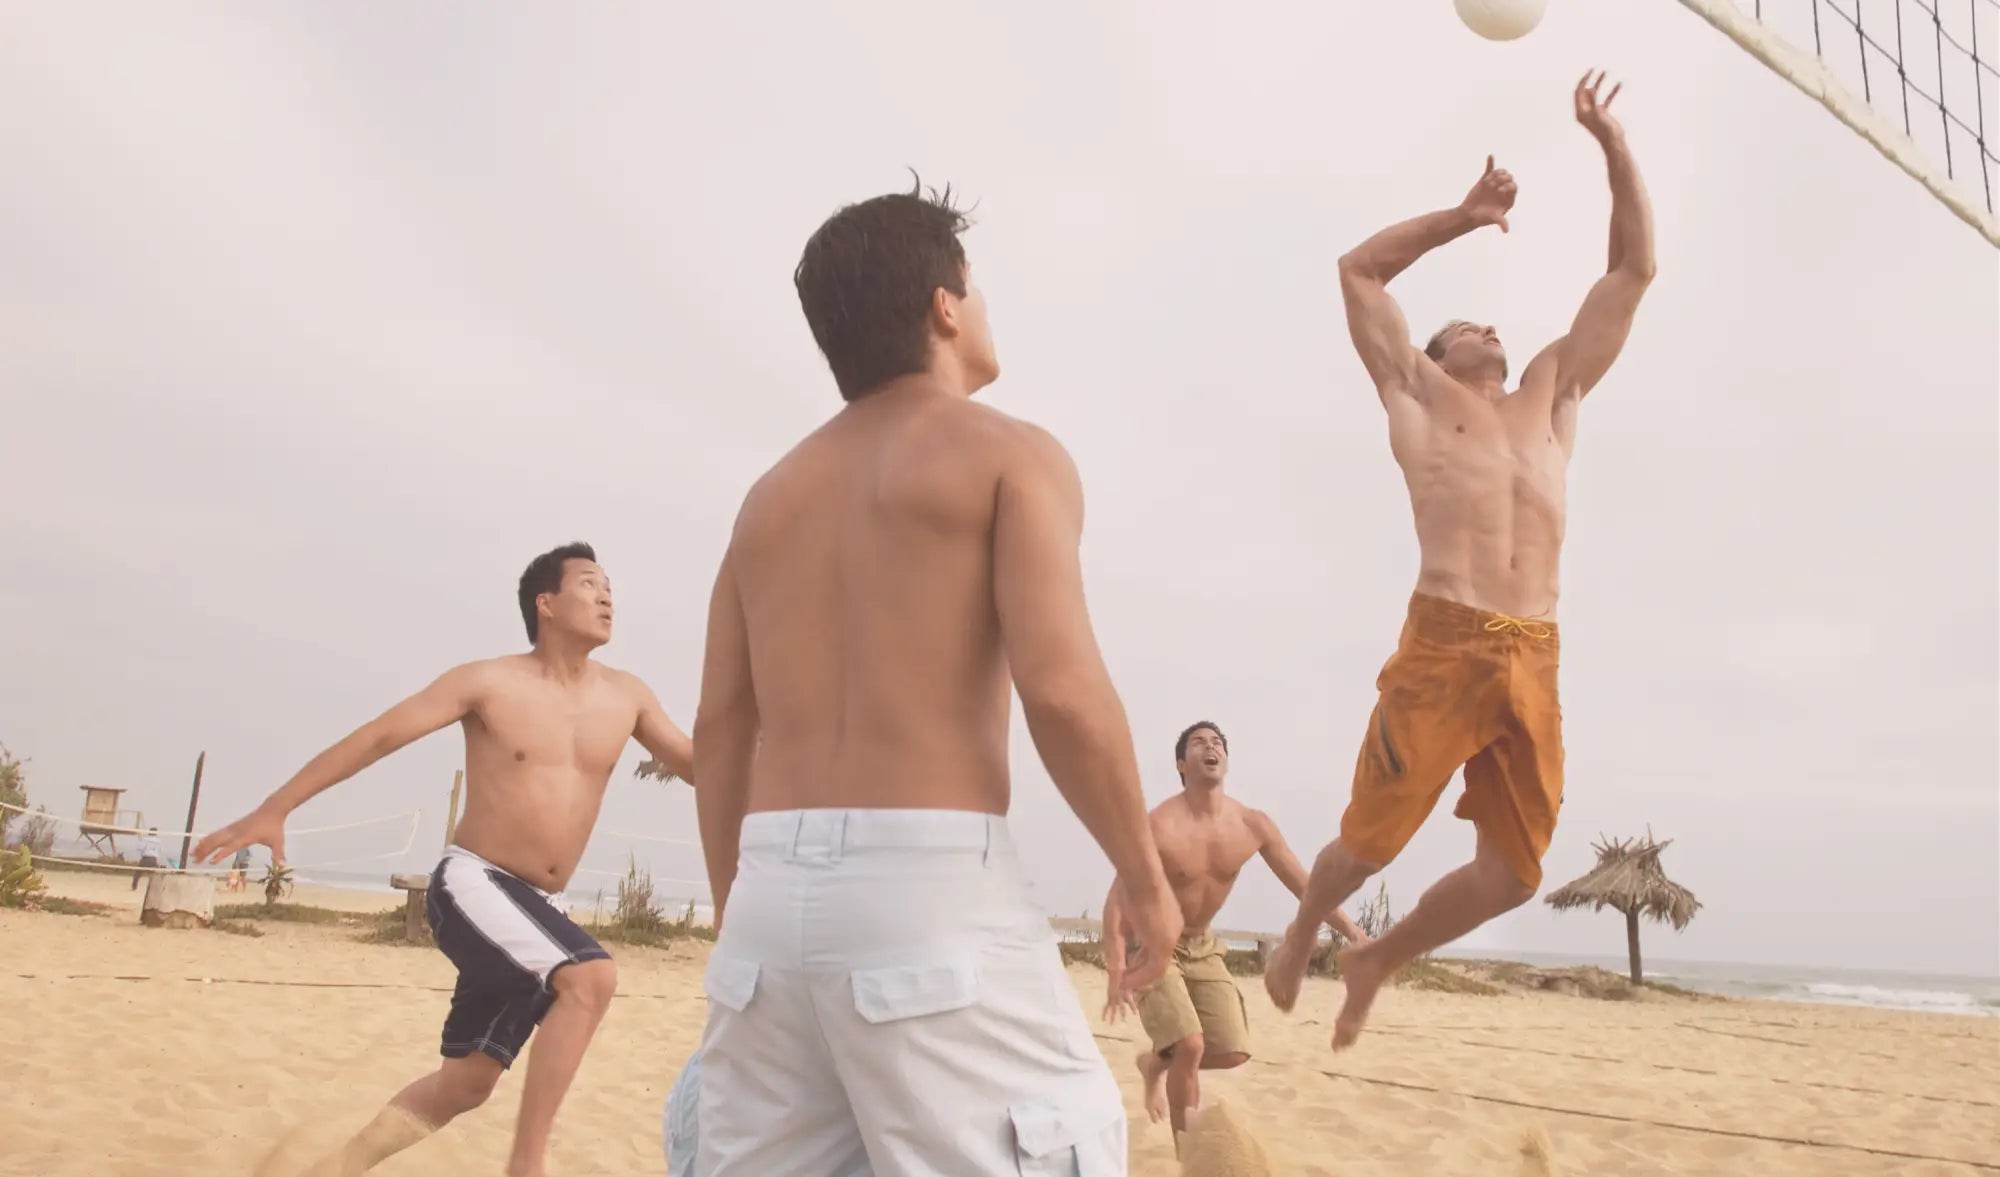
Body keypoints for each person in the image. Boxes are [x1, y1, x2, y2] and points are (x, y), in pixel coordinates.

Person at [688, 178, 1183, 1176]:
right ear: (943, 305)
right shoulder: (1009, 453)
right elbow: (1060, 689)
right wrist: (1144, 876)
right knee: (1059, 1140)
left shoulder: (766, 498)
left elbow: (722, 721)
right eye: (976, 285)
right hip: (924, 882)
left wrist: (744, 908)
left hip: (764, 898)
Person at [1264, 72, 1657, 1049]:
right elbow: (1356, 271)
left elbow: (1630, 273)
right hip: (1443, 639)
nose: (1488, 328)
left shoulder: (1549, 391)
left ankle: (1376, 957)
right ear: (1436, 355)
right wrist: (1461, 215)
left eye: (1492, 326)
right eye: (1465, 327)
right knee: (1365, 845)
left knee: (1516, 873)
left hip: (1534, 648)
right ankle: (1308, 924)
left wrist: (1609, 145)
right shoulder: (1416, 395)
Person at [193, 542, 694, 1177]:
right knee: (590, 977)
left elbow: (698, 765)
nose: (607, 596)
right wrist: (276, 807)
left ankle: (333, 1170)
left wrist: (774, 725)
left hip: (539, 906)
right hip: (475, 882)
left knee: (466, 1083)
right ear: (546, 603)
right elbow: (378, 737)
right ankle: (527, 1166)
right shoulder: (487, 682)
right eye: (590, 584)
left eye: (610, 587)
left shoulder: (628, 696)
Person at [1100, 721, 1370, 1142]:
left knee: (1230, 1052)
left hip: (1202, 944)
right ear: (1181, 765)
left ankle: (1156, 1063)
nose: (1211, 747)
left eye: (1217, 742)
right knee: (1189, 1045)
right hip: (1151, 946)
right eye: (1198, 743)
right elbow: (1117, 899)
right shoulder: (1158, 826)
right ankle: (1191, 1157)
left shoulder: (1252, 824)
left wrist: (1353, 931)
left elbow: (1306, 886)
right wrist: (1116, 965)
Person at [131, 826, 161, 890]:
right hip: (154, 859)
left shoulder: (145, 839)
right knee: (153, 876)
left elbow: (140, 848)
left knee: (137, 874)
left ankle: (134, 887)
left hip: (146, 858)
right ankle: (154, 888)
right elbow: (159, 850)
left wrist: (140, 840)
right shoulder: (159, 841)